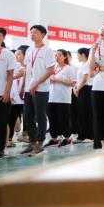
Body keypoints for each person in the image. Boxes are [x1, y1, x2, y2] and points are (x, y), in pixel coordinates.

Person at [21, 25, 55, 156]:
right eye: (31, 32)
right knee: (27, 116)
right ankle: (32, 142)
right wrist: (23, 86)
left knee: (40, 116)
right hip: (28, 88)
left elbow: (50, 71)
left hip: (41, 89)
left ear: (43, 35)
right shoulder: (29, 50)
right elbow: (27, 69)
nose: (32, 34)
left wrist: (36, 83)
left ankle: (40, 143)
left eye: (35, 32)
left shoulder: (48, 51)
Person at [47, 49, 76, 147]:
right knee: (52, 118)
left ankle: (67, 138)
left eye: (59, 55)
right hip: (52, 97)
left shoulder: (68, 68)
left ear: (64, 57)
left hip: (63, 98)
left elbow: (73, 83)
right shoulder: (53, 68)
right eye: (56, 55)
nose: (57, 57)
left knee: (64, 118)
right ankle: (54, 138)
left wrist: (59, 81)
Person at [0, 29, 17, 159]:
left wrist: (7, 92)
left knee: (1, 122)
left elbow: (10, 76)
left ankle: (0, 148)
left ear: (3, 38)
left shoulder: (8, 54)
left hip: (2, 94)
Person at [7, 46, 27, 149]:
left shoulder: (27, 67)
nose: (16, 56)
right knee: (10, 118)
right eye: (16, 54)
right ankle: (8, 139)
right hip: (13, 97)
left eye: (19, 54)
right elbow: (11, 82)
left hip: (22, 98)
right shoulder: (15, 66)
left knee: (17, 118)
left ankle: (15, 137)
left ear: (25, 55)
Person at [73, 47, 94, 144]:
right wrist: (76, 87)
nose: (77, 56)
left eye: (78, 54)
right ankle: (83, 135)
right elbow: (80, 79)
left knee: (86, 113)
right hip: (82, 89)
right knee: (81, 113)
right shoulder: (82, 65)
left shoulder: (87, 64)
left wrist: (78, 88)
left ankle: (88, 136)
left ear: (83, 54)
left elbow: (85, 79)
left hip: (86, 90)